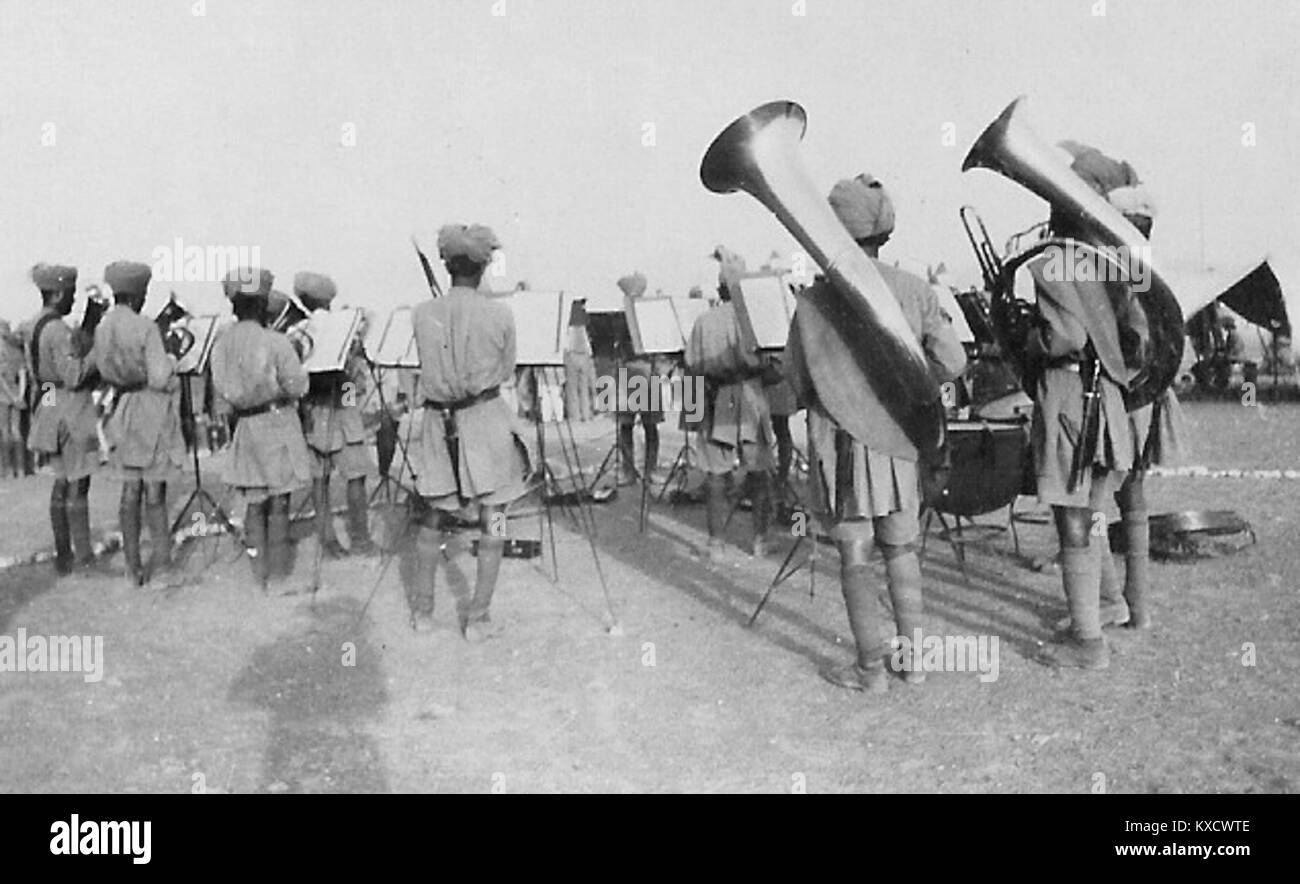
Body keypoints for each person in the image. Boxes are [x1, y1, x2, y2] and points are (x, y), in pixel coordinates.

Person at [786, 174, 966, 691]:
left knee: (856, 554)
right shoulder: (915, 288)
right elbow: (952, 362)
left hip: (842, 446)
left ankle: (870, 669)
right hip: (902, 440)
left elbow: (798, 382)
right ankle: (914, 661)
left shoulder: (816, 301)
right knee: (902, 548)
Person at [1050, 142, 1183, 637]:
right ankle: (1137, 606)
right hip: (1152, 394)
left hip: (1120, 395)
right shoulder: (1142, 258)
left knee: (1092, 505)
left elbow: (1088, 336)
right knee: (1133, 499)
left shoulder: (1095, 263)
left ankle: (1106, 606)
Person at [407, 223, 532, 640]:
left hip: (438, 422)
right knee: (494, 519)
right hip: (485, 420)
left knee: (432, 518)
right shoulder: (499, 312)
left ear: (446, 266)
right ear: (482, 267)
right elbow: (507, 369)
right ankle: (477, 618)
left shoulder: (423, 313)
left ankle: (423, 614)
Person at [209, 268, 312, 594]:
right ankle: (279, 577)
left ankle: (259, 576)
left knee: (255, 503)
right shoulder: (277, 342)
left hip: (246, 428)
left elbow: (221, 397)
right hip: (277, 424)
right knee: (279, 502)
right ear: (264, 302)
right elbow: (298, 387)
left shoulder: (220, 344)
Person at [90, 261, 188, 586]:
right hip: (151, 409)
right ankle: (162, 562)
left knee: (129, 490)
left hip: (123, 407)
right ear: (137, 294)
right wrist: (172, 358)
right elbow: (160, 377)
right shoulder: (145, 326)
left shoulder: (103, 327)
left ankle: (133, 567)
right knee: (155, 490)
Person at [685, 247, 777, 560]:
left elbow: (693, 370)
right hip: (751, 396)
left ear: (720, 288)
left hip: (716, 397)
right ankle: (760, 540)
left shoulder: (703, 321)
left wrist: (694, 415)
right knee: (759, 470)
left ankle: (716, 543)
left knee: (715, 474)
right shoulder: (757, 321)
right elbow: (775, 367)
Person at [25, 263, 102, 575]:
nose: (71, 299)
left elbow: (44, 374)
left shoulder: (33, 325)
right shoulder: (58, 330)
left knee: (60, 482)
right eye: (69, 293)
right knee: (78, 482)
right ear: (57, 293)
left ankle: (63, 555)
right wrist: (98, 352)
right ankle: (84, 557)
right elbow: (74, 375)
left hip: (49, 402)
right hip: (70, 407)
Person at [294, 271, 376, 558]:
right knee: (355, 475)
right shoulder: (346, 325)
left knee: (321, 477)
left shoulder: (299, 330)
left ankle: (327, 540)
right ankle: (361, 540)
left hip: (314, 406)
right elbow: (357, 379)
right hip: (344, 401)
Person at [614, 272, 665, 485]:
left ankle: (647, 468)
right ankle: (632, 469)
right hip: (631, 370)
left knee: (647, 424)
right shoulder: (623, 316)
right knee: (629, 424)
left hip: (643, 369)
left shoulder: (648, 314)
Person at [0, 320, 27, 478]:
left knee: (5, 431)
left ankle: (8, 469)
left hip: (3, 395)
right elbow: (23, 374)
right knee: (17, 431)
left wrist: (11, 395)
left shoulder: (2, 350)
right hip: (20, 392)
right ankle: (22, 468)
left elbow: (1, 379)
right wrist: (20, 395)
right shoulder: (17, 351)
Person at [563, 299, 596, 422]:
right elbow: (588, 343)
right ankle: (586, 414)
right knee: (584, 387)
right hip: (584, 355)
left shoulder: (568, 323)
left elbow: (566, 342)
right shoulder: (583, 323)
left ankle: (575, 416)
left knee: (572, 389)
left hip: (572, 354)